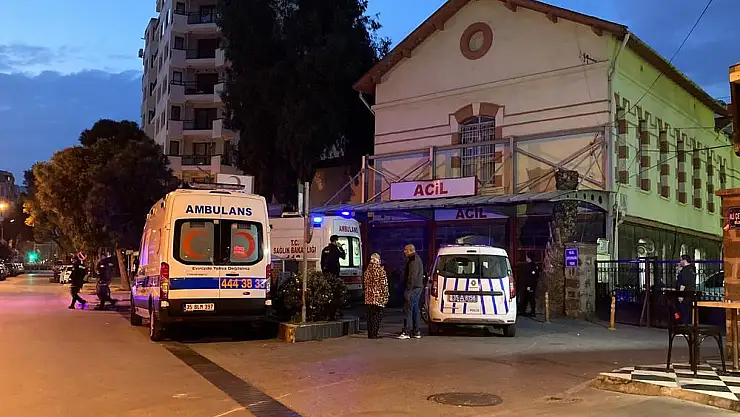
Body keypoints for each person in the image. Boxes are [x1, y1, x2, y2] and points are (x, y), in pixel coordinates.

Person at [398, 244, 424, 340]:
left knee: (408, 309)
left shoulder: (413, 260)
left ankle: (407, 331)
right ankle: (416, 331)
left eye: (405, 250)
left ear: (410, 250)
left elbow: (412, 276)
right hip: (417, 287)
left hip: (413, 288)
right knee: (415, 309)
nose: (404, 251)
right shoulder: (416, 259)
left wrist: (408, 289)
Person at [364, 253, 389, 339]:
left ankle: (370, 333)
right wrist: (386, 296)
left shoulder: (367, 272)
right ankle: (374, 333)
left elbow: (365, 284)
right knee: (377, 316)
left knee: (370, 316)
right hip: (378, 298)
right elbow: (384, 285)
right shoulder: (381, 272)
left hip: (369, 298)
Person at [675, 254, 697, 324]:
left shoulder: (685, 271)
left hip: (684, 294)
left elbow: (683, 283)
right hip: (690, 293)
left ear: (684, 261)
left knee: (680, 310)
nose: (679, 262)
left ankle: (681, 324)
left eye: (680, 260)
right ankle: (687, 325)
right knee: (687, 311)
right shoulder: (692, 269)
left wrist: (680, 295)